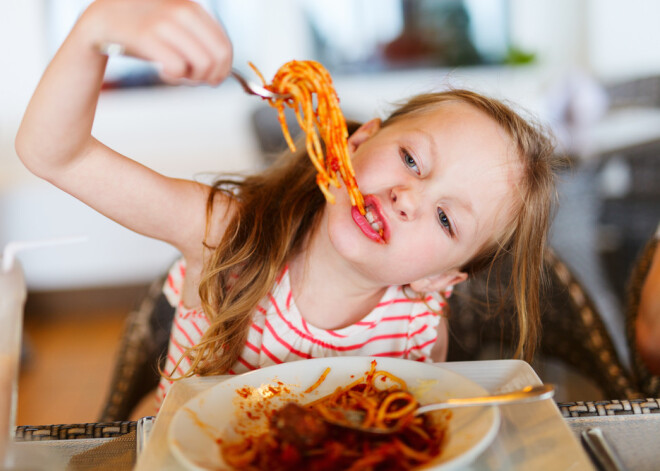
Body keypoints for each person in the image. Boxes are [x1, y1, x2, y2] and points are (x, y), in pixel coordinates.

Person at [15, 0, 560, 409]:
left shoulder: (418, 333)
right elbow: (53, 154)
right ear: (356, 140)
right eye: (413, 160)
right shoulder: (228, 234)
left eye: (446, 219)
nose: (408, 198)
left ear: (442, 279)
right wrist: (97, 29)